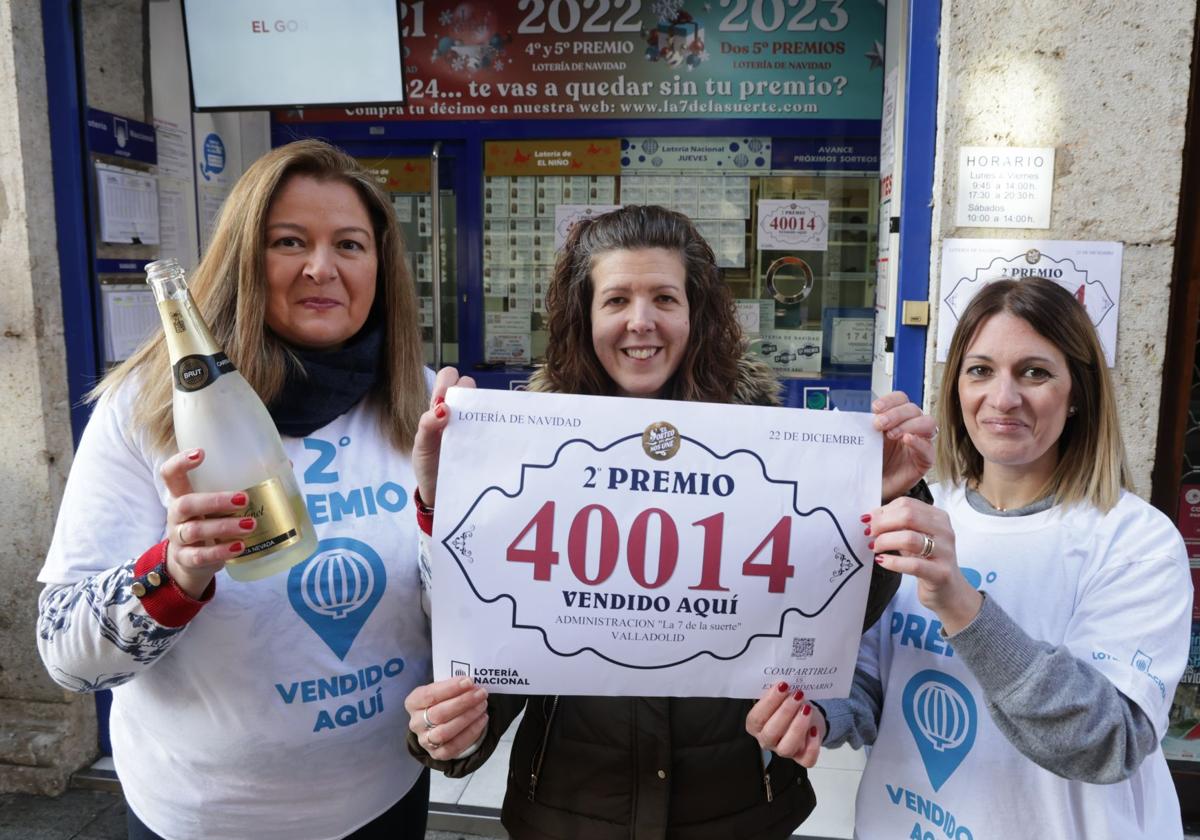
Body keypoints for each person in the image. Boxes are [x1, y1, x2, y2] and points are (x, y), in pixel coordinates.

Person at [401, 204, 937, 839]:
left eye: (664, 297)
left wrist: (884, 502)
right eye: (616, 299)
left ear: (696, 313)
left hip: (737, 809)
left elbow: (832, 619)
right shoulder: (528, 457)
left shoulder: (773, 452)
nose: (640, 322)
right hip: (569, 813)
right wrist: (459, 729)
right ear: (584, 317)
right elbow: (502, 646)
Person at [36, 140, 434, 840]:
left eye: (349, 244)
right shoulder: (149, 405)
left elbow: (471, 607)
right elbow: (66, 655)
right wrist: (175, 570)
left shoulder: (420, 405)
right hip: (202, 819)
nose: (322, 268)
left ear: (381, 267)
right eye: (289, 241)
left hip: (384, 799)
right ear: (243, 257)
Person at [751, 277, 1192, 838]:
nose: (1003, 398)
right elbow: (868, 679)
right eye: (980, 370)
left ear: (1078, 391)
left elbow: (1108, 743)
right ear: (956, 387)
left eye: (1035, 372)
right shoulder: (921, 513)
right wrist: (814, 716)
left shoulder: (1134, 540)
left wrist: (962, 606)